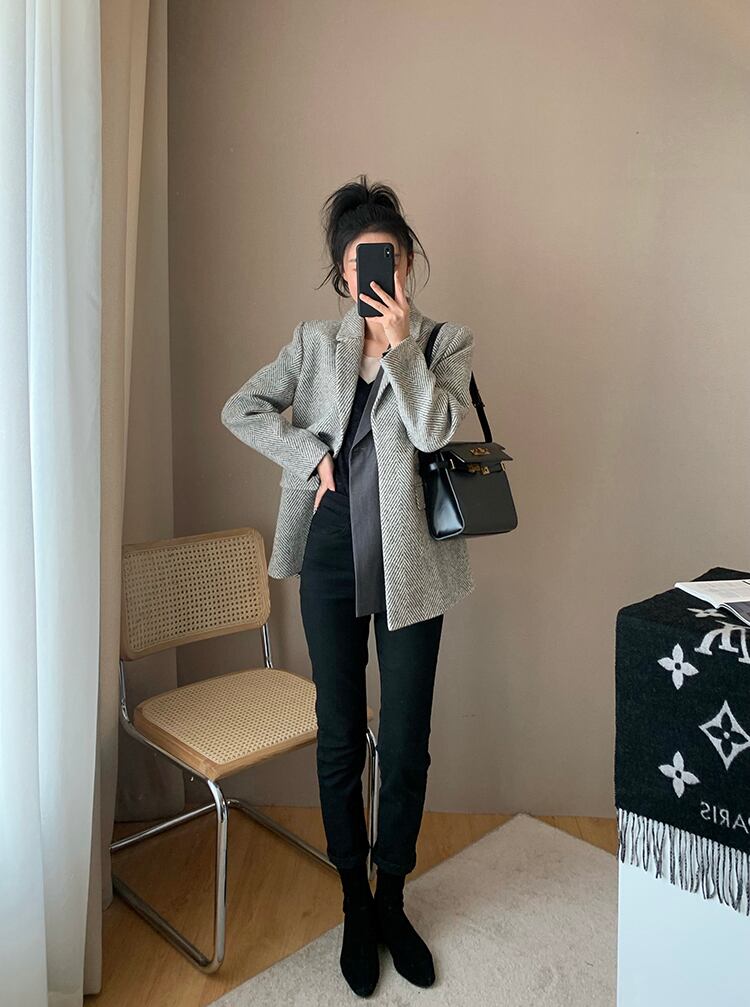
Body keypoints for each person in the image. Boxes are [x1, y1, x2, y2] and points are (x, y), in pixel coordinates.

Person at [221, 175, 475, 997]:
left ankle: (391, 896)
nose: (378, 274)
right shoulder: (312, 344)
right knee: (338, 737)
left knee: (403, 743)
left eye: (391, 258)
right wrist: (308, 454)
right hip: (330, 557)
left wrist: (399, 348)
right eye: (363, 263)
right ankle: (353, 904)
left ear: (408, 261)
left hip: (411, 568)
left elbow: (437, 429)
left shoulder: (444, 343)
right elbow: (240, 408)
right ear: (342, 273)